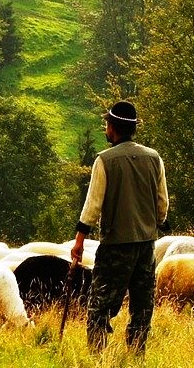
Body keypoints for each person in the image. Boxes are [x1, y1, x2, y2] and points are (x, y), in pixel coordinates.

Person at [70, 100, 167, 353]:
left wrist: (79, 241)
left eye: (106, 124)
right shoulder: (154, 158)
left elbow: (92, 206)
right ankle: (136, 355)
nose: (106, 129)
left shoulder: (105, 160)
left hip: (115, 246)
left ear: (112, 127)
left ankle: (98, 357)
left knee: (100, 305)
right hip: (146, 246)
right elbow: (162, 204)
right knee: (142, 306)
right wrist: (151, 224)